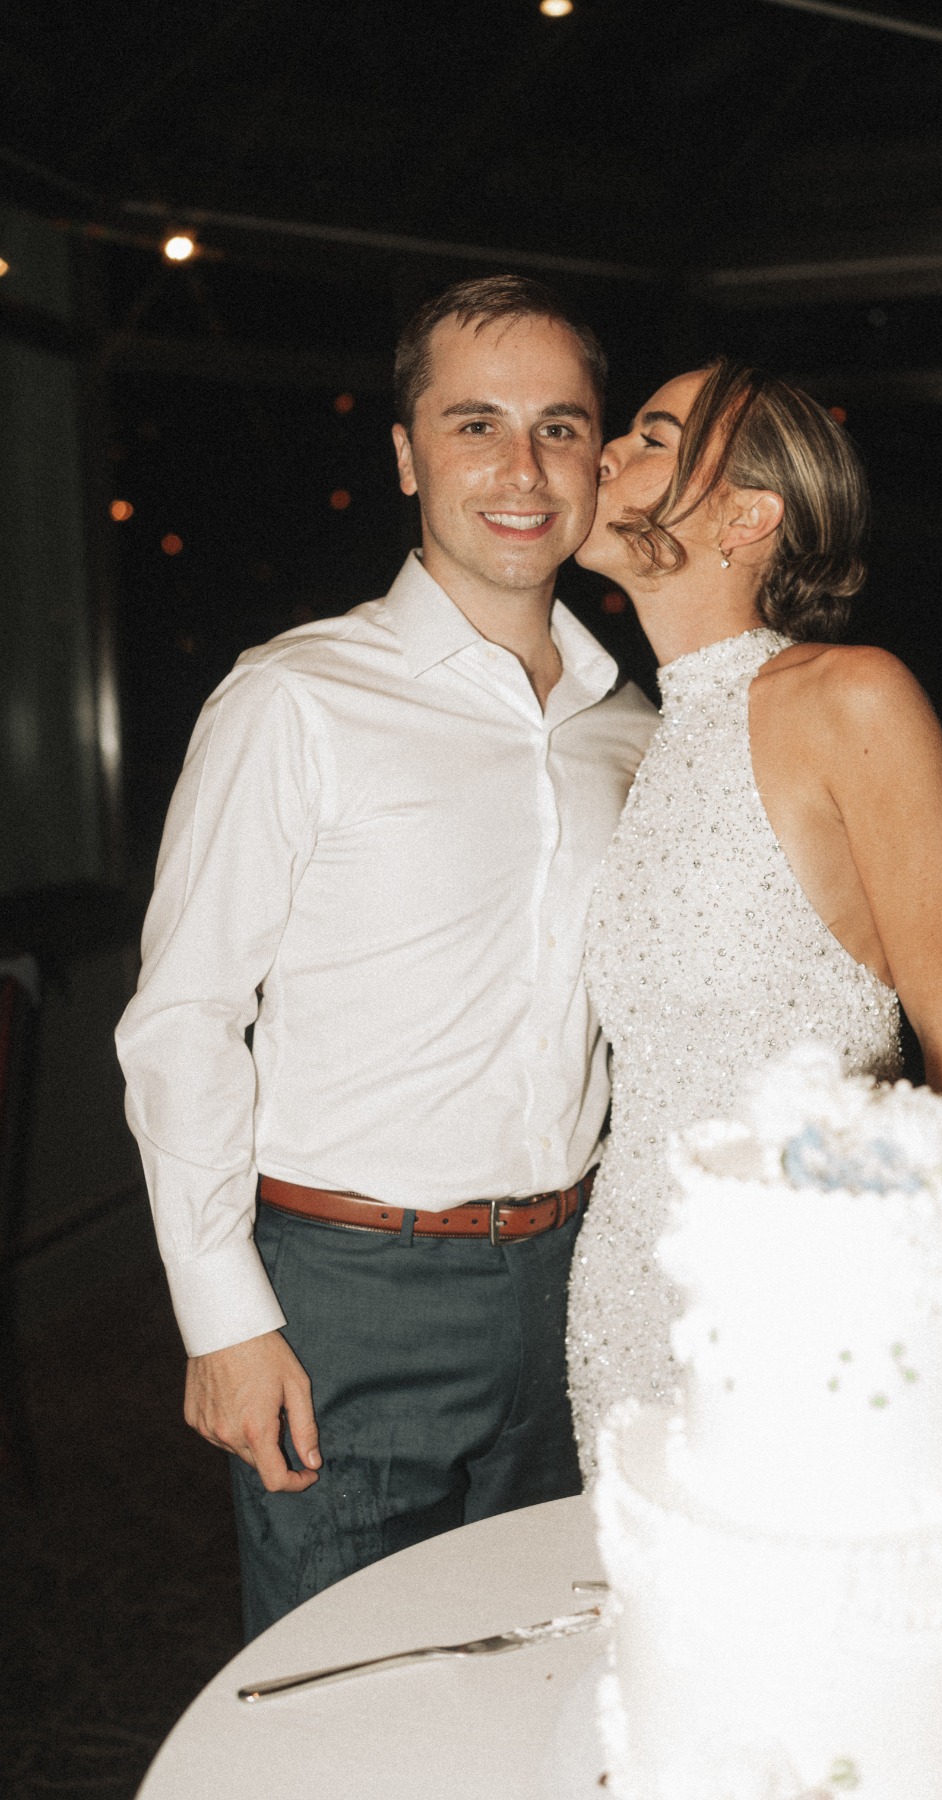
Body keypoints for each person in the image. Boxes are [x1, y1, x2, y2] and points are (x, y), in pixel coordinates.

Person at [115, 275, 657, 1637]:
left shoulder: (633, 726)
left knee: (547, 1661)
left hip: (573, 1286)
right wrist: (222, 1316)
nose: (522, 469)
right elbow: (182, 1019)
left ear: (598, 458)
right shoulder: (294, 698)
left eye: (560, 427)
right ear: (409, 455)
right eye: (476, 425)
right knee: (349, 1700)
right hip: (348, 1298)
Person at [566, 359, 942, 1478]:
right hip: (628, 1286)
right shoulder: (655, 737)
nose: (607, 451)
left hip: (812, 1292)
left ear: (750, 515)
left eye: (655, 438)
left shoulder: (848, 696)